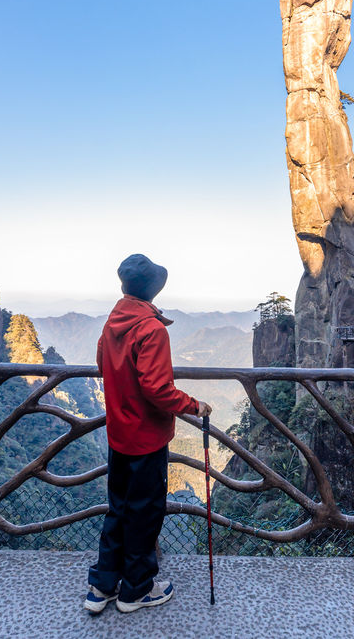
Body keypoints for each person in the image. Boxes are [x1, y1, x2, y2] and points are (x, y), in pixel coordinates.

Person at [85, 253, 212, 615]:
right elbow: (157, 389)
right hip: (145, 440)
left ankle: (102, 586)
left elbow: (102, 363)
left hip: (118, 435)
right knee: (144, 514)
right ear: (153, 289)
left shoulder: (113, 322)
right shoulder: (151, 329)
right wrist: (194, 405)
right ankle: (136, 591)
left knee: (118, 510)